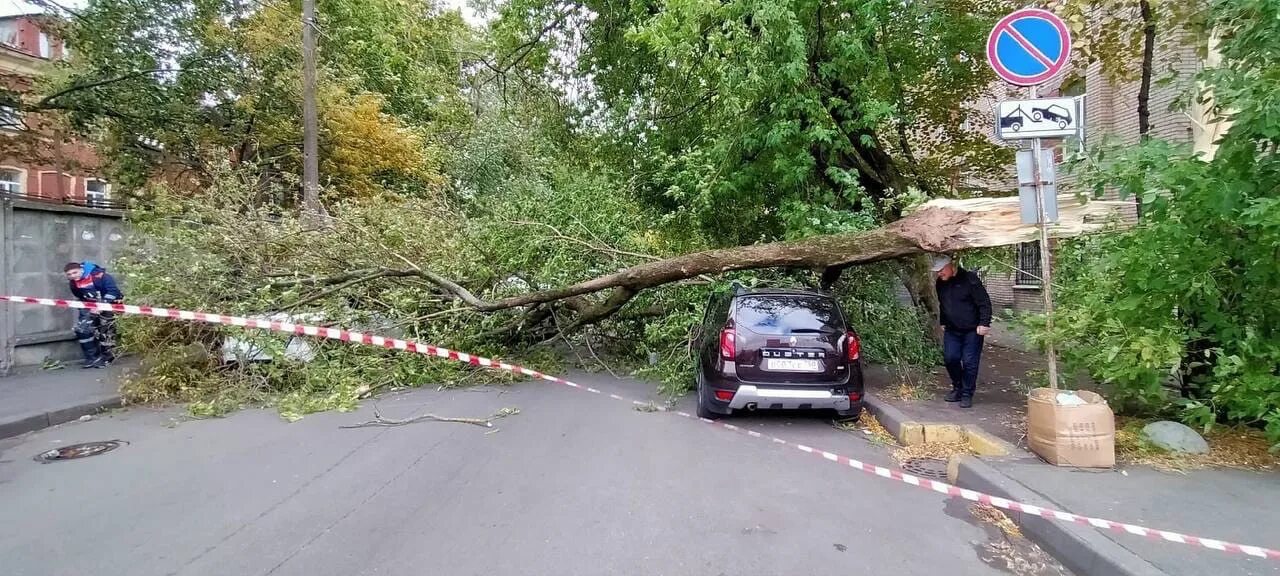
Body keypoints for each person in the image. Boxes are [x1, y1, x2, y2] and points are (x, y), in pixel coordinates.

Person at [931, 254, 992, 408]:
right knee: (950, 358)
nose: (939, 273)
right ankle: (957, 387)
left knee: (970, 361)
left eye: (941, 270)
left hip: (972, 330)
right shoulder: (941, 283)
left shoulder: (970, 280)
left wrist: (984, 323)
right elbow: (943, 303)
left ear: (951, 266)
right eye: (937, 271)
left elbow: (984, 303)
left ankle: (966, 394)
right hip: (952, 329)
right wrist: (943, 321)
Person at [63, 261, 122, 368]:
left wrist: (101, 305)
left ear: (81, 270)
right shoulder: (73, 282)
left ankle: (108, 358)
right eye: (69, 275)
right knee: (82, 329)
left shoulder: (100, 276)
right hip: (90, 307)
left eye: (75, 273)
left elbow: (114, 292)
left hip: (110, 305)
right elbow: (80, 296)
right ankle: (93, 358)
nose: (72, 276)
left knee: (106, 331)